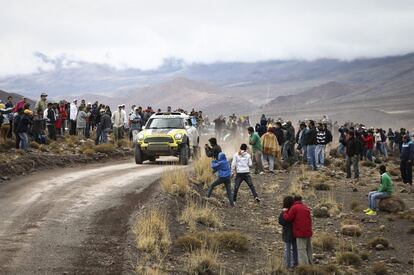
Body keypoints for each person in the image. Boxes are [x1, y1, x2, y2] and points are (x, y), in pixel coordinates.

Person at [283, 195, 313, 266]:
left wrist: (285, 212)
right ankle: (311, 264)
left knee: (301, 250)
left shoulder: (294, 208)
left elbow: (288, 218)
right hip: (308, 232)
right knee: (308, 250)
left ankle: (305, 268)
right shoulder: (305, 207)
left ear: (294, 200)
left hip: (300, 233)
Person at [278, 196, 298, 268]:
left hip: (287, 232)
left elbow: (281, 221)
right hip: (295, 232)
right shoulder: (295, 210)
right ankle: (296, 264)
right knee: (295, 249)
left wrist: (283, 212)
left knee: (288, 249)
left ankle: (288, 265)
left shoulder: (284, 211)